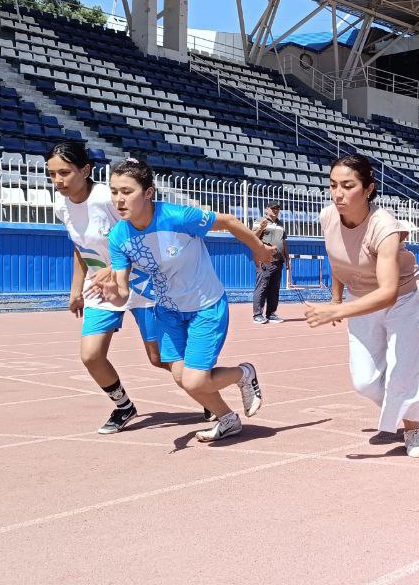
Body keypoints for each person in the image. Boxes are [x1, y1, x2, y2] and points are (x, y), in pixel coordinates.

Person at [89, 158, 273, 442]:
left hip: (205, 306)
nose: (118, 199)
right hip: (168, 311)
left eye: (127, 191)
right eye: (114, 191)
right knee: (180, 377)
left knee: (194, 380)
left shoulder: (178, 217)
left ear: (148, 193)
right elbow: (123, 291)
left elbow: (229, 221)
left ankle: (243, 374)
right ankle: (228, 419)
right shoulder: (118, 236)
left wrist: (258, 248)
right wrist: (114, 293)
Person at [47, 141, 214, 434]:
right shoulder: (61, 205)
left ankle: (206, 392)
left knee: (159, 358)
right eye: (52, 174)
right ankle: (124, 407)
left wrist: (118, 268)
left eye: (65, 172)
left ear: (85, 170)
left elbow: (138, 233)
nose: (58, 180)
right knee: (91, 355)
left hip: (140, 281)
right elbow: (80, 246)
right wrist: (76, 289)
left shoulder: (108, 198)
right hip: (101, 286)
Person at [305, 155, 419, 458]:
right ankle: (410, 393)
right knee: (365, 382)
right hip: (359, 300)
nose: (338, 194)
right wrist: (336, 299)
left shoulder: (384, 226)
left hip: (403, 300)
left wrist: (336, 311)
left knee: (403, 372)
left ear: (369, 189)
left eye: (348, 186)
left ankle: (412, 429)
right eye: (333, 185)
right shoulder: (327, 217)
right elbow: (339, 260)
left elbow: (388, 293)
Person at [252, 201, 289, 324]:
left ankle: (271, 314)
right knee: (262, 287)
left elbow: (284, 242)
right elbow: (252, 237)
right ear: (267, 209)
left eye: (277, 208)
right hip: (265, 260)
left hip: (278, 260)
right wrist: (261, 228)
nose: (276, 210)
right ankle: (257, 314)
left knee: (274, 289)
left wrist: (288, 259)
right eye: (273, 208)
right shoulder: (260, 221)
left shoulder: (281, 224)